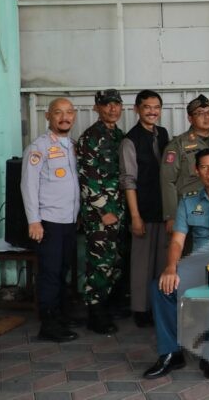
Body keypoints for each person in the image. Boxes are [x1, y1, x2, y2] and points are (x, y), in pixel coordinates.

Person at [143, 148, 209, 380]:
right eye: (204, 167)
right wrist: (171, 267)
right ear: (196, 170)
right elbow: (177, 240)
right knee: (161, 287)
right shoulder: (188, 199)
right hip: (201, 260)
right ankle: (171, 353)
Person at [22, 98, 81, 342]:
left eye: (68, 113)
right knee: (50, 273)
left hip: (69, 221)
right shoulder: (39, 147)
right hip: (49, 221)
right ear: (48, 116)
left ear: (74, 116)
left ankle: (61, 315)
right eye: (58, 113)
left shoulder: (73, 146)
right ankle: (48, 324)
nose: (64, 117)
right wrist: (34, 221)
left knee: (64, 270)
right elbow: (28, 184)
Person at [76, 88, 127, 335]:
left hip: (120, 210)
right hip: (100, 214)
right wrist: (103, 210)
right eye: (107, 105)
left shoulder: (119, 136)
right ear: (97, 107)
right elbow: (88, 178)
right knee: (99, 262)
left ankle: (107, 305)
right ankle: (94, 312)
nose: (112, 109)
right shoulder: (91, 137)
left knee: (114, 260)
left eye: (116, 104)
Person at [120, 90, 171, 329]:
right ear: (136, 109)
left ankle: (159, 306)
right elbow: (128, 180)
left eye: (156, 107)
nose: (152, 112)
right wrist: (135, 216)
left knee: (162, 261)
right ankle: (141, 310)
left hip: (164, 208)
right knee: (142, 263)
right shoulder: (130, 140)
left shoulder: (163, 134)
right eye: (147, 107)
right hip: (142, 207)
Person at [160, 94, 209, 259]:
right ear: (189, 118)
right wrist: (171, 216)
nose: (207, 117)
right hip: (189, 212)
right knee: (188, 257)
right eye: (200, 113)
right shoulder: (178, 145)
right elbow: (168, 181)